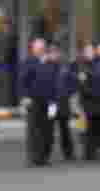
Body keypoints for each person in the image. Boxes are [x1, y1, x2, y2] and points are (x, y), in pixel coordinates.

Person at [18, 37, 58, 167]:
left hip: (50, 102)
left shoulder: (51, 62)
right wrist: (24, 97)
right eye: (38, 47)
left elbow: (56, 82)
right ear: (33, 48)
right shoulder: (28, 62)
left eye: (42, 47)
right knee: (34, 130)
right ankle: (34, 157)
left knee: (48, 129)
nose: (40, 49)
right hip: (34, 100)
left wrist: (55, 101)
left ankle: (44, 157)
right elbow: (23, 81)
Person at [77, 43, 100, 161]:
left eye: (92, 51)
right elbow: (83, 85)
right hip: (87, 102)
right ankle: (88, 153)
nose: (90, 53)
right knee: (86, 129)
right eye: (88, 51)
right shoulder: (82, 66)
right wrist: (95, 93)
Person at [49, 44, 77, 161]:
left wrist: (70, 94)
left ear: (59, 53)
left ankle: (68, 153)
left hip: (63, 102)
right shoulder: (46, 65)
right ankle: (46, 153)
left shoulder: (65, 66)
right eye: (52, 52)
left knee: (65, 129)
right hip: (51, 103)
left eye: (56, 52)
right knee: (48, 128)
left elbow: (72, 82)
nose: (54, 54)